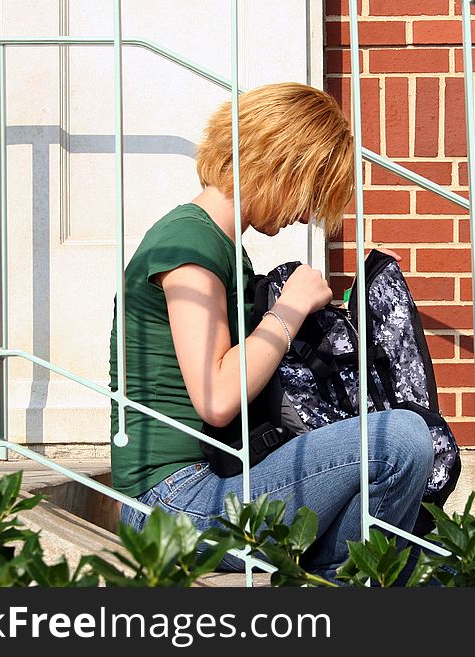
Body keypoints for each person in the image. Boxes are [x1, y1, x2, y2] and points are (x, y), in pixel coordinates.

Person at [110, 82, 433, 582]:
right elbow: (216, 396)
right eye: (308, 194)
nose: (304, 214)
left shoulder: (219, 246)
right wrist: (289, 309)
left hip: (212, 483)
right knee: (402, 439)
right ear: (277, 164)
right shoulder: (187, 244)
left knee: (410, 541)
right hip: (172, 506)